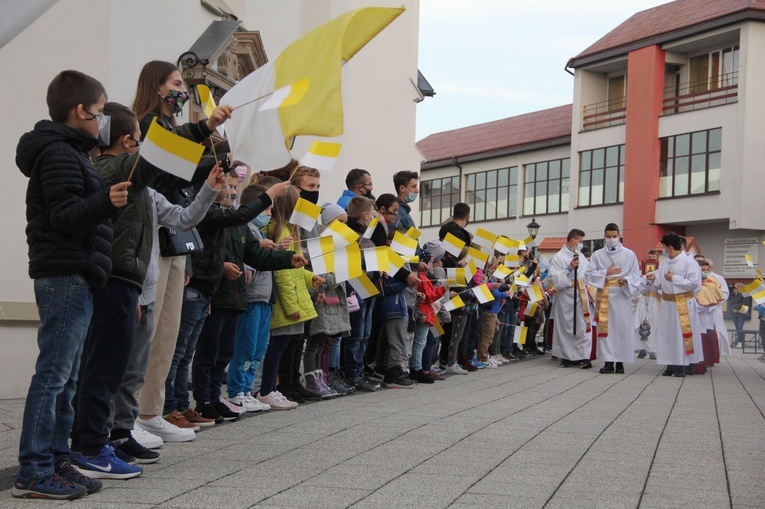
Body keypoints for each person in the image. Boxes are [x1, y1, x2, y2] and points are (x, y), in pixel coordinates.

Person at [13, 70, 129, 499]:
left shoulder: (73, 153)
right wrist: (105, 201)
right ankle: (34, 469)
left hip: (75, 271)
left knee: (69, 377)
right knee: (54, 375)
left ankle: (58, 459)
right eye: (99, 113)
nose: (102, 122)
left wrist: (105, 204)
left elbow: (80, 212)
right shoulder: (59, 153)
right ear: (80, 110)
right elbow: (64, 217)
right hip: (64, 273)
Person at [95, 103, 222, 465]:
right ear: (129, 141)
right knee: (115, 367)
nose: (140, 148)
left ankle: (122, 431)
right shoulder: (116, 177)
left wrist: (210, 189)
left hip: (147, 286)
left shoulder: (149, 193)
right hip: (127, 285)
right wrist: (203, 128)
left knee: (134, 368)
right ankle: (106, 433)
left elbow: (183, 219)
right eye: (138, 141)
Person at [133, 60, 234, 434]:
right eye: (176, 83)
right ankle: (136, 413)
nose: (181, 90)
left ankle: (151, 412)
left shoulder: (171, 127)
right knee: (151, 331)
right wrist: (207, 139)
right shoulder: (146, 125)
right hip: (154, 236)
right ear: (157, 87)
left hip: (175, 236)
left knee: (168, 333)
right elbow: (168, 165)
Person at [260, 186, 324, 409]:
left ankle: (273, 388)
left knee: (285, 345)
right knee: (278, 347)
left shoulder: (288, 230)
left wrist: (309, 277)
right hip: (287, 303)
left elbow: (294, 270)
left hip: (294, 299)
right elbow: (283, 275)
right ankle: (268, 389)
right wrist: (290, 306)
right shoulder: (282, 232)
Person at [584, 223, 641, 374]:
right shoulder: (597, 254)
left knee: (621, 328)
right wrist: (605, 272)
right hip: (605, 295)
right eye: (608, 237)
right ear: (604, 237)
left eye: (614, 236)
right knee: (606, 329)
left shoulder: (629, 254)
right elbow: (588, 275)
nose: (611, 239)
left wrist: (627, 280)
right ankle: (608, 362)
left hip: (622, 294)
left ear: (619, 236)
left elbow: (636, 274)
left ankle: (620, 362)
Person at [645, 232, 702, 377]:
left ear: (670, 247)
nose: (663, 250)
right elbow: (660, 276)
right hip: (667, 303)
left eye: (664, 247)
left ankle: (681, 366)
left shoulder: (689, 262)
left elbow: (694, 283)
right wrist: (653, 277)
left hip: (682, 303)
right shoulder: (666, 262)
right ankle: (669, 364)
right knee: (667, 334)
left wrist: (674, 278)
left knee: (680, 335)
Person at [549, 229, 592, 369]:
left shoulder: (581, 257)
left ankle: (584, 356)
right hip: (566, 294)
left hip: (581, 295)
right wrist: (569, 269)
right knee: (566, 326)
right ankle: (567, 356)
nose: (581, 244)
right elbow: (554, 279)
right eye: (580, 241)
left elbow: (589, 273)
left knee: (582, 325)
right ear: (572, 240)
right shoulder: (558, 257)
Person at [635, 250, 660, 360]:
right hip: (644, 298)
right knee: (639, 322)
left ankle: (653, 349)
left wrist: (654, 279)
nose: (651, 258)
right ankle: (642, 348)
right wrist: (644, 278)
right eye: (649, 256)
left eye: (653, 256)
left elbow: (661, 287)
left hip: (655, 300)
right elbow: (638, 288)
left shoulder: (660, 272)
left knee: (654, 324)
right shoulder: (642, 272)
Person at [706, 259, 731, 358]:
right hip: (700, 308)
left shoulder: (718, 278)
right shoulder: (697, 277)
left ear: (712, 267)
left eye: (708, 266)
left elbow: (724, 293)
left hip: (714, 308)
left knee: (717, 329)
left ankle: (717, 351)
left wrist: (714, 304)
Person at [438, 202, 471, 268]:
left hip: (442, 266)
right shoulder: (461, 234)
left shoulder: (444, 229)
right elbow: (460, 257)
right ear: (467, 218)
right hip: (455, 270)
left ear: (453, 216)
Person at [729, 283, 747, 348]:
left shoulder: (743, 295)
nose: (735, 289)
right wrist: (732, 308)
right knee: (737, 328)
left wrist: (737, 308)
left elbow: (744, 303)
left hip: (741, 313)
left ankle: (740, 342)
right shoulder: (734, 295)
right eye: (735, 288)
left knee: (740, 327)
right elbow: (730, 302)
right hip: (734, 313)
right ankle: (738, 341)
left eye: (737, 288)